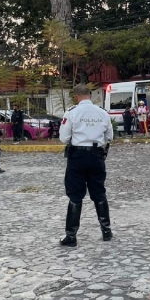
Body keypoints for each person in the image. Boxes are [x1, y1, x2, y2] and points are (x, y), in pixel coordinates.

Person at [59, 84, 114, 247]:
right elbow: (109, 136)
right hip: (97, 155)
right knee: (99, 193)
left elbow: (64, 138)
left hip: (77, 156)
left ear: (76, 96)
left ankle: (71, 236)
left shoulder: (71, 112)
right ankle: (106, 231)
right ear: (90, 95)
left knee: (75, 196)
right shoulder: (102, 113)